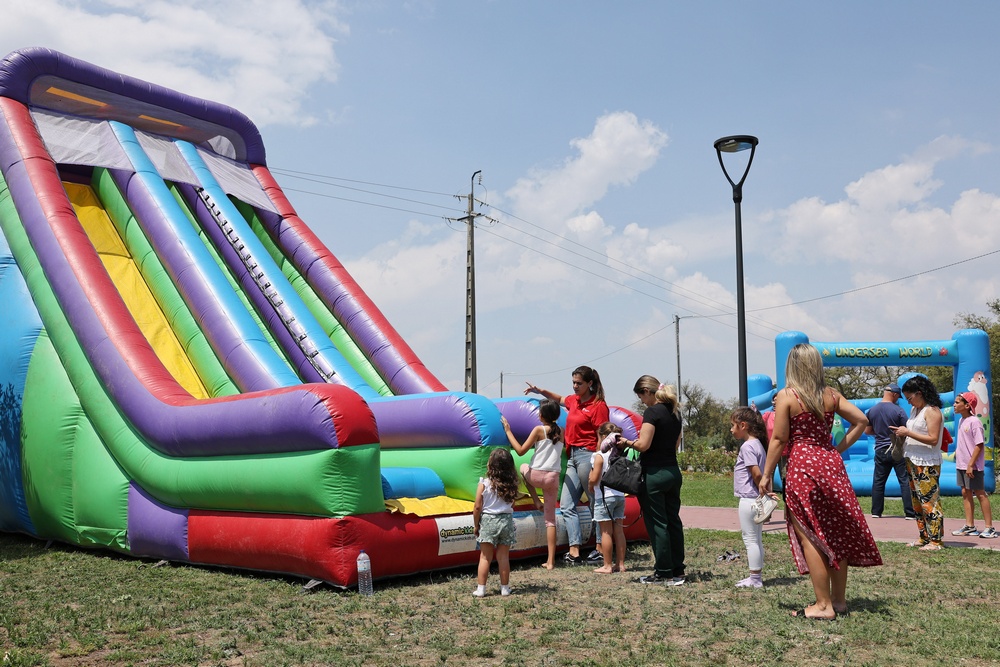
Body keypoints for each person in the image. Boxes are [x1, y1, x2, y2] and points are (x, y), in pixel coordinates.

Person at [759, 344, 881, 620]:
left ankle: (822, 605)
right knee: (836, 531)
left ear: (793, 366)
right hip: (831, 464)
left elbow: (778, 439)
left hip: (802, 466)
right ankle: (838, 601)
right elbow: (861, 420)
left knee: (809, 535)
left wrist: (766, 474)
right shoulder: (831, 395)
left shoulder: (788, 396)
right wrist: (837, 449)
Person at [524, 366, 609, 564]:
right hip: (572, 457)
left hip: (588, 456)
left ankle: (599, 548)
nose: (575, 386)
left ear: (590, 383)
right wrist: (539, 391)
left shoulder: (598, 405)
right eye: (573, 383)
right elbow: (559, 399)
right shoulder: (574, 401)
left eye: (579, 383)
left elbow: (602, 434)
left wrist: (598, 460)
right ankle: (574, 550)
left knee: (595, 501)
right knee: (567, 504)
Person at [618, 375, 685, 586]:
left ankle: (663, 571)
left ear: (647, 391)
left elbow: (644, 444)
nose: (641, 401)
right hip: (673, 471)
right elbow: (675, 445)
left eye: (641, 396)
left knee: (658, 523)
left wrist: (627, 442)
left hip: (654, 474)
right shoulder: (675, 412)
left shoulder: (652, 412)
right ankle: (678, 569)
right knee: (673, 521)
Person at [501, 399, 564, 569]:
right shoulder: (561, 432)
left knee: (522, 468)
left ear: (542, 415)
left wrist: (508, 431)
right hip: (552, 477)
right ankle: (551, 561)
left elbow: (521, 450)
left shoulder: (538, 430)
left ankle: (536, 499)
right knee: (550, 521)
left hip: (535, 475)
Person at [888, 375, 946, 551]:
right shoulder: (916, 411)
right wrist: (901, 433)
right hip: (912, 460)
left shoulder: (932, 411)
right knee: (917, 502)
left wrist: (908, 432)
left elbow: (933, 439)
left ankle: (936, 541)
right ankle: (924, 536)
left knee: (929, 501)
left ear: (919, 393)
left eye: (910, 398)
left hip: (927, 463)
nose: (909, 402)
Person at [472, 448, 520, 597]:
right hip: (506, 520)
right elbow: (512, 504)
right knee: (503, 557)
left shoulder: (484, 484)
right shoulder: (512, 485)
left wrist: (476, 524)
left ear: (490, 465)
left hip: (488, 520)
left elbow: (477, 506)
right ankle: (505, 588)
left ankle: (481, 589)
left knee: (485, 557)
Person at [731, 406, 769, 589]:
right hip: (756, 498)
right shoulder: (759, 444)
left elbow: (755, 474)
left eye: (733, 425)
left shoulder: (747, 446)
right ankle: (757, 575)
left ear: (743, 425)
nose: (731, 430)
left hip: (749, 499)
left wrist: (762, 493)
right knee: (757, 538)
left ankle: (755, 578)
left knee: (750, 539)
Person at [866, 384, 917, 520]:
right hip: (897, 449)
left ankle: (876, 512)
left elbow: (867, 431)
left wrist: (880, 433)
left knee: (878, 481)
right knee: (904, 481)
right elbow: (906, 430)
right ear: (894, 394)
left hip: (880, 449)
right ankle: (909, 513)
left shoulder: (872, 410)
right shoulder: (898, 411)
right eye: (898, 397)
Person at [951, 392, 997, 539]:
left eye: (957, 402)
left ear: (967, 405)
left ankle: (989, 527)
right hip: (961, 464)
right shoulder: (961, 421)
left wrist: (971, 464)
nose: (954, 404)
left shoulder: (974, 422)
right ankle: (970, 526)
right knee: (965, 492)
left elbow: (979, 445)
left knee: (980, 493)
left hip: (973, 466)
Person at [588, 422, 627, 574]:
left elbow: (595, 478)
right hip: (619, 496)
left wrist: (590, 481)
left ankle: (607, 565)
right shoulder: (619, 455)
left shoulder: (599, 456)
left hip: (604, 497)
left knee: (605, 532)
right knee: (619, 531)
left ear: (604, 437)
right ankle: (621, 564)